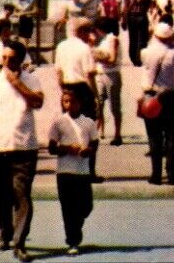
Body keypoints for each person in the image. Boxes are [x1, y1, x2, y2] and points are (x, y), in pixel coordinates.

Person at [0, 40, 44, 262]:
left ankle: (20, 242)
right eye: (3, 58)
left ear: (20, 60)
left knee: (22, 194)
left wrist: (18, 84)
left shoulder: (31, 79)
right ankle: (5, 232)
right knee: (3, 195)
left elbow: (38, 102)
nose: (6, 62)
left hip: (24, 147)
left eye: (11, 59)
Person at [48, 87, 98, 256]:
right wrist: (68, 149)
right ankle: (73, 241)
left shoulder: (88, 123)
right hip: (64, 172)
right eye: (65, 101)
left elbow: (94, 145)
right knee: (68, 208)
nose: (69, 105)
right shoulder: (58, 122)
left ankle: (75, 227)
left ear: (80, 103)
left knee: (86, 206)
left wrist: (87, 151)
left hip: (82, 172)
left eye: (72, 101)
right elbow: (52, 148)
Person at [139, 22, 174, 186]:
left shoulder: (145, 52)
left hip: (151, 96)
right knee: (173, 135)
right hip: (170, 95)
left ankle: (156, 174)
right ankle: (172, 172)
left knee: (154, 137)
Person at [54, 19, 100, 180]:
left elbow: (58, 72)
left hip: (67, 87)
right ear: (81, 31)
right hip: (82, 88)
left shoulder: (61, 47)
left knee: (68, 128)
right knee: (89, 129)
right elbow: (89, 75)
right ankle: (89, 170)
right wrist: (95, 97)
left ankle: (69, 168)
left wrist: (64, 92)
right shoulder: (84, 48)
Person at [92, 16, 123, 147]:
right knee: (98, 104)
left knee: (114, 106)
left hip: (112, 75)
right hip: (100, 74)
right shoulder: (103, 40)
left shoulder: (112, 39)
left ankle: (117, 134)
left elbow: (112, 60)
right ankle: (95, 133)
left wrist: (97, 57)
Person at [123, 0, 154, 67]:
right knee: (143, 39)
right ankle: (139, 58)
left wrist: (124, 20)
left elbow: (125, 8)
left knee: (133, 38)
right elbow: (150, 6)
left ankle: (133, 58)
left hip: (131, 17)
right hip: (142, 16)